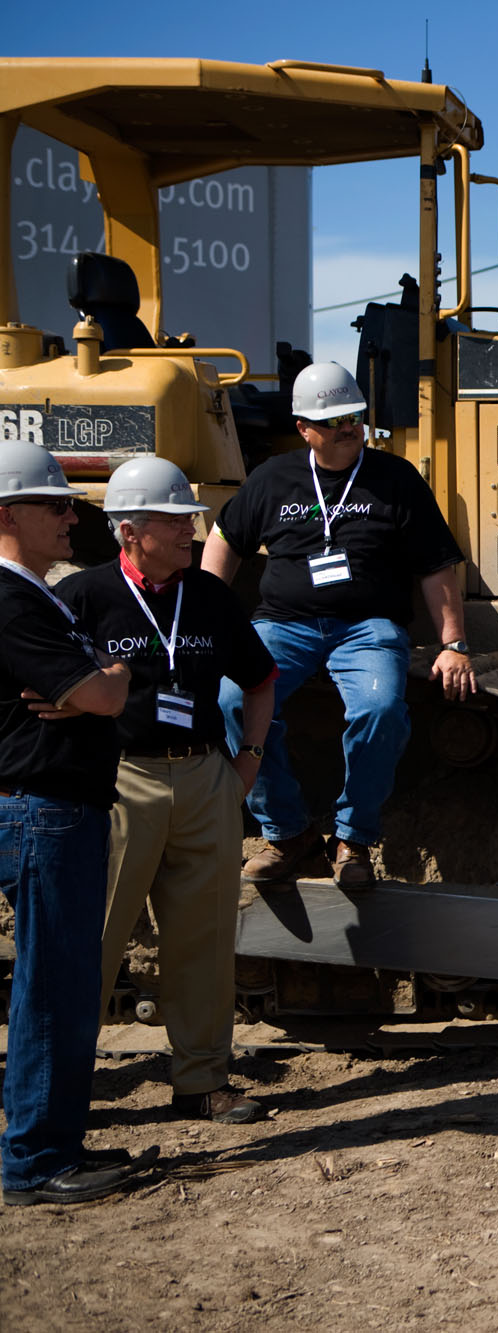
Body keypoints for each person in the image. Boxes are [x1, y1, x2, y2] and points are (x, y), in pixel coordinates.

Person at [60, 459, 278, 1125]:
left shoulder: (209, 596)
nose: (192, 530)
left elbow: (262, 678)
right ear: (130, 532)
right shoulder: (86, 596)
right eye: (176, 520)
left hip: (205, 779)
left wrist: (246, 761)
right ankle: (63, 1091)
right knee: (91, 939)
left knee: (204, 940)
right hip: (120, 782)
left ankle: (203, 1081)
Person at [205, 362, 477, 887]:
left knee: (379, 709)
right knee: (230, 700)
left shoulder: (395, 479)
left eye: (355, 415)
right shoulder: (273, 478)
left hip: (367, 626)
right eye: (334, 420)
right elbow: (224, 541)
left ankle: (352, 837)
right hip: (284, 624)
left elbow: (435, 564)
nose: (349, 426)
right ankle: (287, 835)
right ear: (305, 428)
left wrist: (454, 643)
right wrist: (209, 621)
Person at [0, 441, 158, 1206]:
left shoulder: (37, 593)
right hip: (46, 810)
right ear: (7, 515)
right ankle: (35, 1161)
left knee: (64, 981)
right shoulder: (11, 598)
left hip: (61, 808)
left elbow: (97, 686)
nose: (71, 515)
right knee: (53, 985)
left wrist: (104, 677)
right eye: (54, 504)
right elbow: (99, 696)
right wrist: (110, 679)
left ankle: (55, 1142)